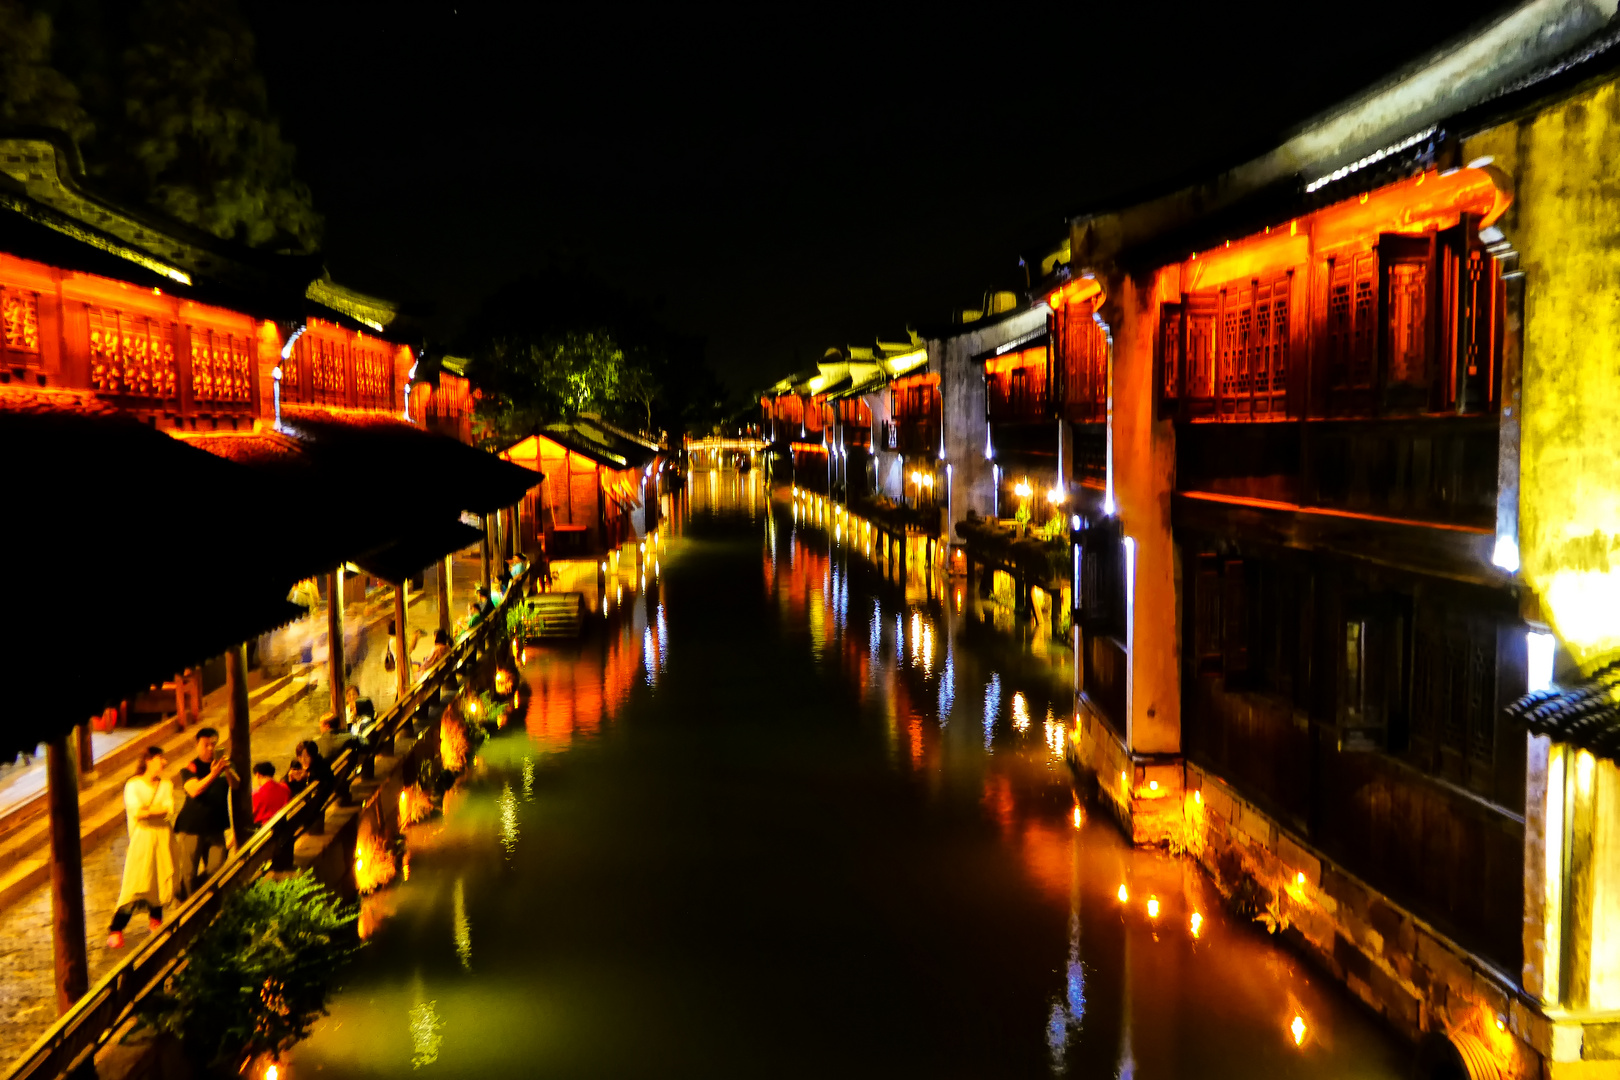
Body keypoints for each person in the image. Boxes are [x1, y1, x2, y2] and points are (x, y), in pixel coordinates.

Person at [108, 747, 176, 948]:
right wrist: (156, 811)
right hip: (141, 840)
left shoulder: (166, 784)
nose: (163, 762)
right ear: (148, 760)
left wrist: (152, 811)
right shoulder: (133, 785)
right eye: (159, 758)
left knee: (158, 882)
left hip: (162, 838)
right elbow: (137, 812)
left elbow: (169, 809)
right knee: (135, 886)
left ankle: (156, 920)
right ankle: (116, 928)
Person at [173, 727, 237, 898]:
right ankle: (187, 906)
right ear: (197, 745)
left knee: (217, 866)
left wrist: (227, 770)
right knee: (188, 871)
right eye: (206, 744)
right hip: (192, 826)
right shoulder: (191, 767)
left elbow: (236, 785)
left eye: (213, 744)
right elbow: (194, 790)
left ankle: (202, 897)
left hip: (216, 826)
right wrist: (213, 774)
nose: (210, 748)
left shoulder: (225, 765)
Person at [250, 761, 290, 827]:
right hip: (283, 825)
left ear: (258, 775)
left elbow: (252, 816)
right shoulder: (285, 788)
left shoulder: (256, 794)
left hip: (263, 830)